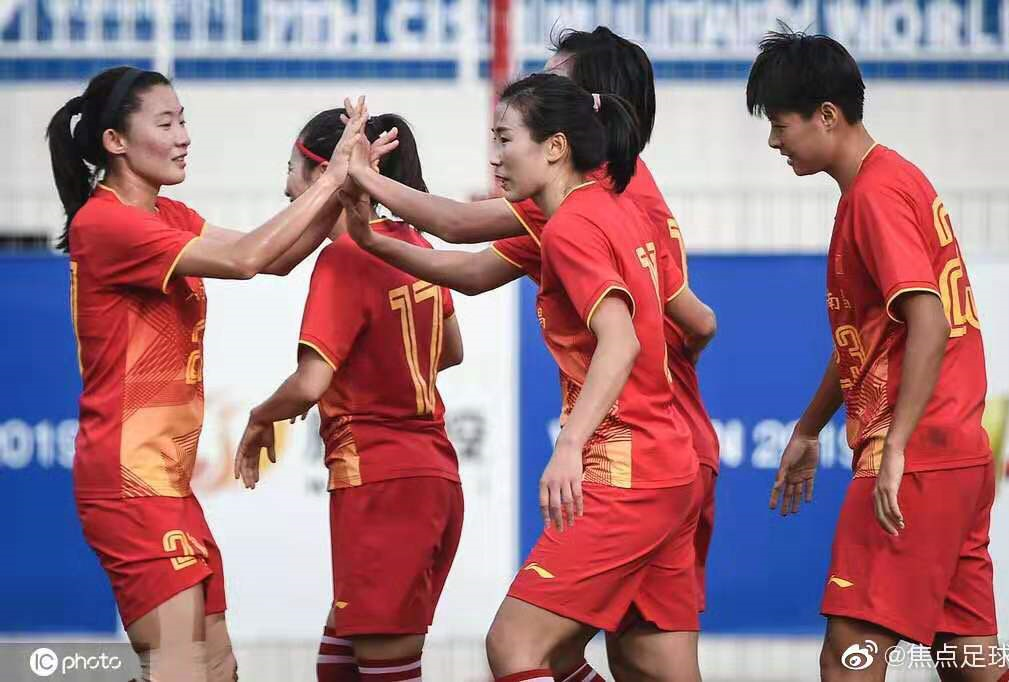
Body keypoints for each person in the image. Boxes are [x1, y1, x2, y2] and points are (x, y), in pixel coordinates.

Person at [346, 30, 721, 677]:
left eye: (509, 134)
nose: (495, 155)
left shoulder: (577, 214)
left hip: (629, 454)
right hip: (675, 453)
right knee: (640, 664)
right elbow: (698, 319)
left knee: (516, 646)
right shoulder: (616, 195)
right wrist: (374, 237)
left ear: (564, 132)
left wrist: (360, 178)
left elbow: (459, 225)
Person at [48, 65, 374, 681]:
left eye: (183, 121)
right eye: (165, 123)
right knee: (179, 666)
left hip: (168, 486)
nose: (183, 137)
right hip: (128, 482)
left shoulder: (168, 214)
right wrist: (330, 177)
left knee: (218, 667)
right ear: (115, 141)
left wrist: (346, 189)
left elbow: (275, 258)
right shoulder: (106, 221)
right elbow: (247, 258)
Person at [747, 29, 1009, 682]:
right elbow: (867, 343)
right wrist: (809, 428)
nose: (775, 141)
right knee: (971, 666)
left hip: (915, 456)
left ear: (827, 116)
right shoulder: (889, 181)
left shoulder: (875, 195)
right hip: (955, 452)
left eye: (780, 124)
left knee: (848, 659)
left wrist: (896, 446)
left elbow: (930, 319)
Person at [234, 99, 464, 682]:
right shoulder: (414, 243)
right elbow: (451, 350)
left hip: (382, 486)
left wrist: (261, 416)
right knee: (337, 668)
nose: (286, 187)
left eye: (291, 169)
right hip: (433, 478)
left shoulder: (344, 256)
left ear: (324, 172)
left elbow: (311, 383)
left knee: (385, 670)